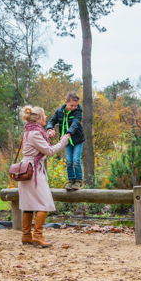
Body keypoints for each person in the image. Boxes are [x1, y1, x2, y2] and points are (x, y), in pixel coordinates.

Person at [18, 105, 71, 248]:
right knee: (44, 203)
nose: (46, 118)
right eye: (45, 115)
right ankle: (38, 235)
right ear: (39, 118)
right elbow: (49, 151)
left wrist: (47, 136)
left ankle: (26, 235)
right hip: (34, 171)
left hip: (27, 170)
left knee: (29, 205)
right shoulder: (35, 133)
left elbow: (38, 146)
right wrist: (64, 140)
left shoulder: (29, 131)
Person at [46, 92, 84, 191]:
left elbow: (75, 123)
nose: (74, 107)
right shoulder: (59, 111)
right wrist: (50, 128)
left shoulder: (78, 111)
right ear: (66, 102)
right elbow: (52, 121)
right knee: (68, 161)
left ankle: (78, 181)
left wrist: (68, 133)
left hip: (77, 140)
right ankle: (71, 181)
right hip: (66, 141)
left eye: (75, 105)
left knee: (76, 160)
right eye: (72, 105)